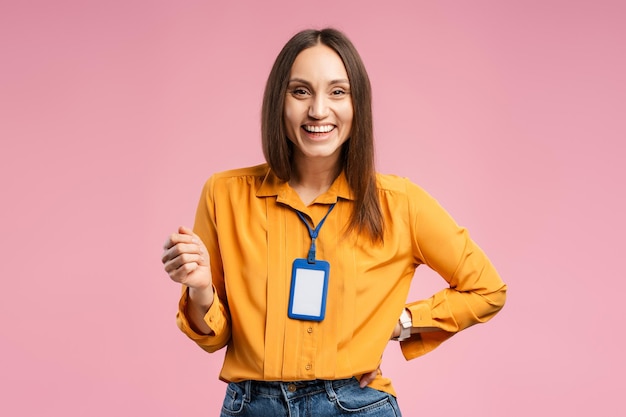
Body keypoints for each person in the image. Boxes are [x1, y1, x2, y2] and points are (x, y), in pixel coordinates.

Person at [161, 28, 506, 417]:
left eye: (338, 92)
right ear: (279, 101)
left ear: (358, 104)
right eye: (301, 91)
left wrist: (403, 322)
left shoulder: (399, 203)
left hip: (357, 405)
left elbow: (487, 289)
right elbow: (214, 337)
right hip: (252, 406)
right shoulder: (224, 195)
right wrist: (201, 289)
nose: (319, 110)